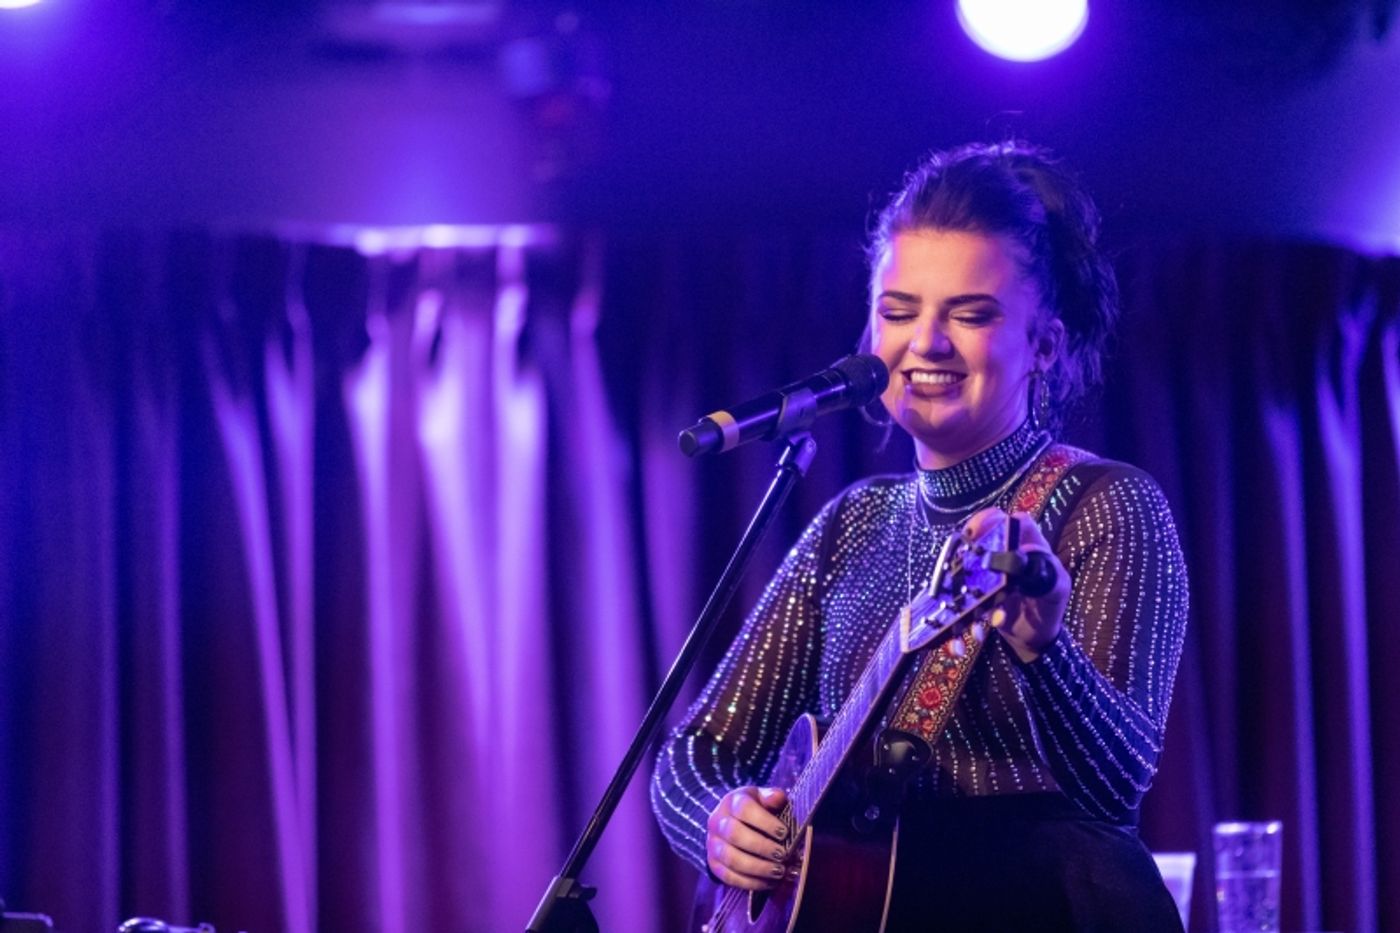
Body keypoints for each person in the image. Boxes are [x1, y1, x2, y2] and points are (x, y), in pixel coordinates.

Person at [650, 141, 1189, 931]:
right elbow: (690, 757)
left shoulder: (1108, 506)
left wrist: (1045, 653)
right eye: (899, 312)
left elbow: (1115, 790)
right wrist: (721, 821)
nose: (926, 342)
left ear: (1044, 344)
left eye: (970, 315)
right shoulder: (852, 522)